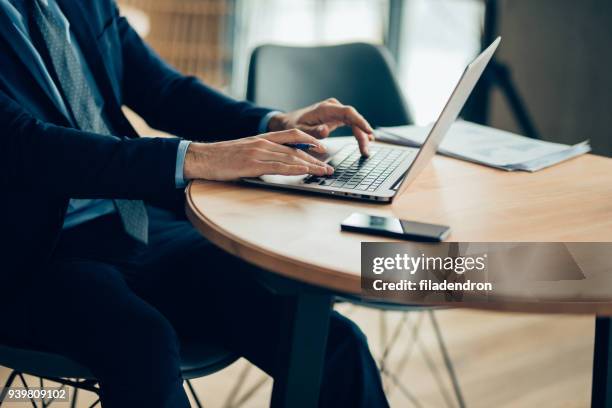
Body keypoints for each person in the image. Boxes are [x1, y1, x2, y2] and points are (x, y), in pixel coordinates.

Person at [0, 0, 390, 407]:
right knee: (144, 348)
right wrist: (201, 158)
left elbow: (162, 89)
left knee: (329, 342)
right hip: (34, 252)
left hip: (137, 222)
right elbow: (27, 147)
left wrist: (275, 124)